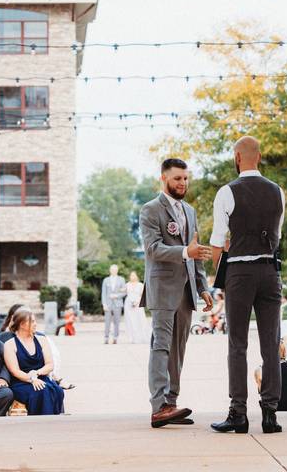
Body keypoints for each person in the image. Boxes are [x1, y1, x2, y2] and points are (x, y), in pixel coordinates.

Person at [208, 137, 285, 435]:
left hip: (239, 271)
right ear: (260, 157)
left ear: (237, 157)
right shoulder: (278, 192)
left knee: (237, 344)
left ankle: (238, 413)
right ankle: (270, 414)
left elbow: (217, 241)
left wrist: (222, 277)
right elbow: (278, 234)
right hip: (269, 271)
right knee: (270, 343)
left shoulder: (227, 192)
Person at [139, 157, 212, 429]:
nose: (183, 183)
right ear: (164, 179)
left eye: (185, 178)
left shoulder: (190, 211)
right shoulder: (150, 210)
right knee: (160, 346)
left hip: (187, 290)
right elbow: (152, 249)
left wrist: (203, 287)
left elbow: (197, 251)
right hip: (162, 288)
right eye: (177, 178)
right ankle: (159, 406)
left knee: (178, 350)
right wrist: (184, 252)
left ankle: (172, 402)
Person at [3, 308, 64, 415]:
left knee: (58, 391)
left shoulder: (42, 340)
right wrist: (31, 379)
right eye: (32, 321)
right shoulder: (10, 344)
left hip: (42, 378)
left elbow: (50, 365)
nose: (36, 324)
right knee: (41, 392)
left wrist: (36, 373)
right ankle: (42, 423)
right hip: (21, 382)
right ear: (22, 324)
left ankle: (54, 422)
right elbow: (14, 371)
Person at [100, 264, 127, 345]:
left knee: (117, 321)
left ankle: (115, 338)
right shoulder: (106, 280)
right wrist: (104, 304)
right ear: (110, 270)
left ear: (117, 271)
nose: (113, 271)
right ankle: (106, 337)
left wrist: (117, 296)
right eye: (112, 270)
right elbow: (103, 293)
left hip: (117, 304)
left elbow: (124, 292)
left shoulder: (121, 279)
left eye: (115, 270)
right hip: (108, 304)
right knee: (107, 321)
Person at [124, 271, 150, 344]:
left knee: (140, 319)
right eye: (131, 275)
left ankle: (141, 337)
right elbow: (123, 293)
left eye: (134, 275)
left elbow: (142, 295)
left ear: (136, 276)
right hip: (128, 304)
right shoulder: (127, 285)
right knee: (131, 321)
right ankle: (132, 338)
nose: (132, 277)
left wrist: (137, 302)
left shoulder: (140, 285)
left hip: (138, 303)